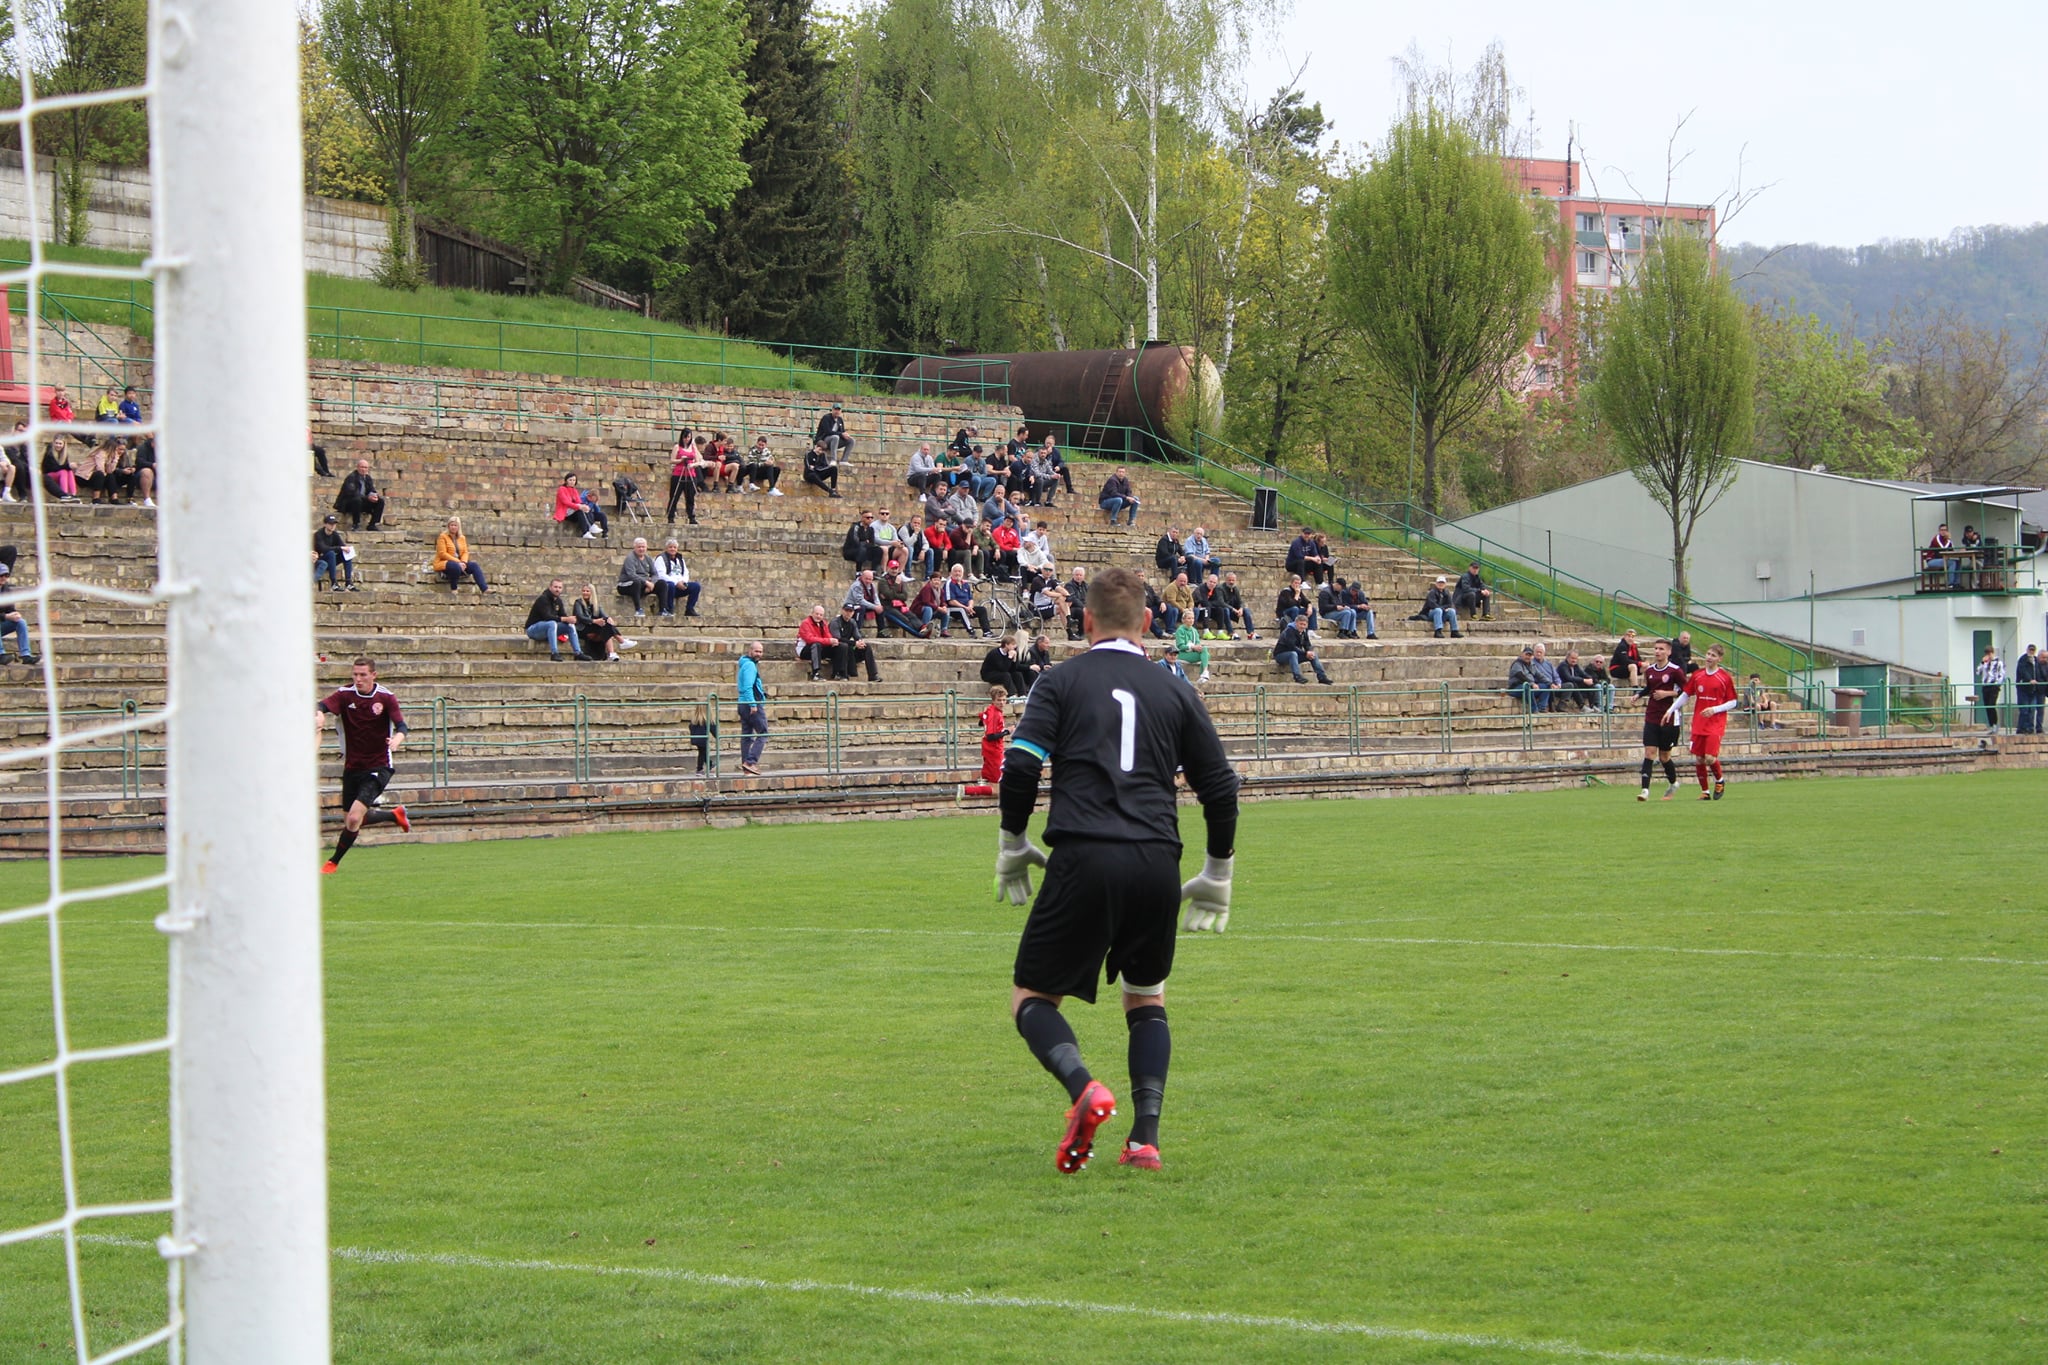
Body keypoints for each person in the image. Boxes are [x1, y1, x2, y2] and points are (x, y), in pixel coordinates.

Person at [995, 565, 1240, 1174]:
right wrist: (1218, 870)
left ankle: (1083, 1089)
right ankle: (1144, 1141)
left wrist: (1013, 840)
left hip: (1084, 854)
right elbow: (1220, 786)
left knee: (1031, 997)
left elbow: (1020, 766)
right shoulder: (1176, 689)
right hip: (1157, 859)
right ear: (1149, 622)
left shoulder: (1060, 681)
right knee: (1147, 997)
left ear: (1084, 622)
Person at [316, 657, 411, 873]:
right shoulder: (345, 694)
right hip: (352, 767)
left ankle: (333, 862)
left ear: (373, 675)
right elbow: (321, 704)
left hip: (379, 766)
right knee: (351, 820)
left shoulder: (386, 697)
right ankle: (394, 815)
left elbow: (402, 726)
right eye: (355, 675)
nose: (358, 679)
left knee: (353, 818)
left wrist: (397, 739)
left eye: (363, 675)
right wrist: (319, 713)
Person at [1682, 644, 1741, 800]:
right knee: (1699, 758)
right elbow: (1686, 694)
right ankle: (1705, 792)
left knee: (1709, 757)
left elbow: (1734, 702)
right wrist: (1670, 710)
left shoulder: (1724, 678)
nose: (1709, 657)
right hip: (1699, 722)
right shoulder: (1698, 675)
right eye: (1708, 654)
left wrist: (1715, 709)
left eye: (1713, 655)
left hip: (1716, 722)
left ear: (1719, 659)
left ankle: (1719, 780)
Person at [1637, 639, 1687, 802]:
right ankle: (1645, 791)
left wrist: (1667, 694)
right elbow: (1649, 688)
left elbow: (1686, 691)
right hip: (1652, 716)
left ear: (1669, 652)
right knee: (1649, 752)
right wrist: (1638, 695)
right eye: (1656, 648)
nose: (1657, 651)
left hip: (1669, 719)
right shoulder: (1650, 670)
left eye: (1661, 649)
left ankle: (1673, 783)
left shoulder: (1675, 671)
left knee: (1664, 756)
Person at [524, 579, 587, 661]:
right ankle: (554, 653)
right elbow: (547, 617)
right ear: (550, 587)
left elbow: (563, 615)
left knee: (570, 626)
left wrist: (571, 620)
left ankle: (578, 653)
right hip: (533, 630)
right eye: (555, 587)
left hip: (548, 629)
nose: (557, 589)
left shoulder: (558, 601)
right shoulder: (543, 599)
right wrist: (565, 619)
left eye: (560, 587)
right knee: (552, 623)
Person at [0, 547, 40, 664]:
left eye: (6, 575)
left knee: (21, 622)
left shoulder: (6, 590)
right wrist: (6, 617)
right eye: (1, 575)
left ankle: (26, 655)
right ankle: (1, 654)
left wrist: (15, 614)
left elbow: (10, 609)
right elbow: (6, 615)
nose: (4, 578)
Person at [574, 583, 632, 662]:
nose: (585, 593)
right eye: (583, 591)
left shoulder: (595, 604)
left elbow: (603, 615)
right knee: (604, 626)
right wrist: (595, 621)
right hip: (582, 628)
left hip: (593, 627)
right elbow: (580, 617)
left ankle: (612, 653)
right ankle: (621, 641)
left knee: (606, 624)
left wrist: (608, 619)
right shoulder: (578, 602)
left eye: (587, 591)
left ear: (592, 593)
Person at [433, 515, 489, 594]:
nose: (453, 527)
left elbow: (465, 552)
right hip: (445, 563)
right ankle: (454, 588)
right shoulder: (442, 537)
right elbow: (442, 553)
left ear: (458, 527)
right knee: (455, 566)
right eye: (452, 525)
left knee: (474, 565)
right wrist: (458, 562)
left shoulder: (462, 538)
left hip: (460, 563)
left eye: (455, 525)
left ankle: (484, 589)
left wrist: (463, 562)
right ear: (448, 526)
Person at [737, 640, 769, 774]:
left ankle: (746, 766)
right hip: (751, 703)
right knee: (763, 733)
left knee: (747, 735)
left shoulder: (744, 664)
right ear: (750, 651)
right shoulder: (750, 666)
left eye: (760, 652)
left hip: (742, 703)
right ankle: (750, 762)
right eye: (756, 651)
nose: (758, 654)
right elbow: (748, 687)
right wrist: (753, 704)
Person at [1272, 615, 1330, 684]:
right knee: (1293, 654)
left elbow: (1307, 644)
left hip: (1295, 655)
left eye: (1304, 624)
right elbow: (1292, 647)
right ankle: (1297, 676)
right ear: (1296, 623)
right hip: (1281, 655)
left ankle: (1322, 677)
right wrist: (1305, 653)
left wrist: (1309, 651)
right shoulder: (1289, 631)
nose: (1302, 626)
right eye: (1301, 624)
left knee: (1313, 654)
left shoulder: (1304, 632)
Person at [653, 539, 701, 617]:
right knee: (670, 585)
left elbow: (685, 572)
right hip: (668, 587)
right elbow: (661, 575)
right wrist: (676, 583)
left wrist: (683, 582)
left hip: (680, 585)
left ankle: (689, 609)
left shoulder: (680, 559)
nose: (672, 549)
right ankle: (669, 610)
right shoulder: (661, 559)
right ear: (666, 548)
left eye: (674, 547)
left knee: (696, 586)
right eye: (670, 547)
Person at [834, 601, 880, 682]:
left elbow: (857, 636)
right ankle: (842, 674)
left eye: (850, 611)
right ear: (842, 611)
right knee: (844, 646)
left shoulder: (852, 622)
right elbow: (837, 638)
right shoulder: (835, 622)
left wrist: (860, 642)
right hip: (837, 650)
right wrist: (854, 643)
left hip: (849, 648)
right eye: (846, 610)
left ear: (853, 613)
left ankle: (873, 675)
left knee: (866, 646)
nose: (848, 613)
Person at [335, 458, 386, 530]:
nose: (363, 469)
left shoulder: (368, 478)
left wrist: (374, 496)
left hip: (362, 502)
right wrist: (367, 498)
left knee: (380, 501)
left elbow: (372, 489)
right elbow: (352, 493)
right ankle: (356, 524)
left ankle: (372, 524)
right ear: (358, 467)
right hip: (349, 503)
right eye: (362, 467)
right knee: (357, 500)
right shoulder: (351, 477)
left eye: (365, 467)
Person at [553, 472, 606, 538]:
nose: (572, 482)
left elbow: (579, 501)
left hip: (573, 513)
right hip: (565, 512)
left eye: (574, 480)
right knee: (580, 509)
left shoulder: (574, 490)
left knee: (584, 508)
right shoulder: (561, 489)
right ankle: (588, 529)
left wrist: (584, 506)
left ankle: (588, 530)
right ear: (566, 481)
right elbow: (566, 502)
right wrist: (579, 506)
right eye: (570, 480)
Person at [945, 564, 992, 637]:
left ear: (962, 573)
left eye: (959, 571)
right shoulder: (949, 583)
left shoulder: (965, 584)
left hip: (966, 608)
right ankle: (971, 631)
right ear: (951, 573)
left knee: (982, 610)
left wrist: (970, 606)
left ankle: (987, 632)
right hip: (953, 609)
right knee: (961, 610)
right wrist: (965, 607)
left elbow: (970, 598)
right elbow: (951, 601)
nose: (957, 573)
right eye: (955, 571)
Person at [616, 537, 660, 616]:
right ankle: (638, 610)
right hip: (626, 584)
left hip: (644, 584)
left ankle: (663, 610)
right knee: (637, 582)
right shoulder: (630, 558)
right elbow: (631, 575)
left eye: (643, 547)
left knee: (662, 584)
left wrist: (652, 583)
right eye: (639, 547)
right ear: (635, 547)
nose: (641, 549)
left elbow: (655, 574)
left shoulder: (648, 558)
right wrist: (646, 583)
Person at [313, 514, 356, 591]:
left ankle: (348, 582)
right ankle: (333, 583)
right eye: (330, 524)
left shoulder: (335, 534)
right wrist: (340, 548)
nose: (333, 526)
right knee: (331, 553)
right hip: (321, 559)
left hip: (331, 561)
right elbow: (323, 549)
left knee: (346, 554)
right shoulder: (319, 534)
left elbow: (342, 546)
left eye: (334, 524)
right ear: (325, 524)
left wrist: (346, 548)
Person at [666, 430, 700, 525]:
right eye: (685, 437)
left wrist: (692, 465)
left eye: (688, 437)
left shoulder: (693, 447)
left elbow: (698, 461)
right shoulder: (677, 447)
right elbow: (672, 460)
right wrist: (681, 460)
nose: (687, 439)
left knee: (690, 497)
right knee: (674, 496)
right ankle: (671, 516)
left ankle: (691, 517)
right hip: (678, 474)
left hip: (690, 474)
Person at [797, 603, 839, 680]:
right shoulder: (805, 623)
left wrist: (832, 641)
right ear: (812, 613)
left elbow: (827, 635)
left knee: (839, 646)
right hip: (804, 650)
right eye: (817, 614)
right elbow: (810, 639)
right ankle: (815, 673)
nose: (818, 616)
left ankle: (838, 672)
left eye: (821, 615)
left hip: (818, 649)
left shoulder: (823, 623)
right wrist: (828, 641)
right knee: (816, 645)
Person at [978, 686, 1009, 784]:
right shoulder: (995, 714)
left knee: (988, 778)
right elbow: (990, 736)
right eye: (999, 700)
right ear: (993, 700)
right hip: (993, 750)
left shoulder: (990, 709)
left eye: (1004, 700)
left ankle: (969, 790)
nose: (1002, 703)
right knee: (997, 780)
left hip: (989, 749)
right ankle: (966, 790)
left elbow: (981, 721)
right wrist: (1007, 731)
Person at [1506, 646, 1550, 712]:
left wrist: (1551, 683)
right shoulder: (1517, 664)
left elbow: (1540, 675)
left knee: (1546, 686)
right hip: (1516, 688)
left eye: (1530, 655)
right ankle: (1533, 709)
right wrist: (1532, 684)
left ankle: (1541, 707)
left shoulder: (1532, 665)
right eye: (1526, 654)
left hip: (1530, 687)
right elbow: (1521, 676)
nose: (1528, 657)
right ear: (1522, 654)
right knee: (1527, 687)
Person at [1213, 573, 1253, 639]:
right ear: (1226, 580)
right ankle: (1231, 633)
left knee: (1246, 610)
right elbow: (1221, 603)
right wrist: (1233, 609)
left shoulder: (1235, 588)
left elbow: (1240, 601)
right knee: (1226, 610)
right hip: (1221, 612)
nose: (1231, 582)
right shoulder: (1219, 588)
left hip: (1233, 611)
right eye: (1229, 580)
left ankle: (1251, 633)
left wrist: (1241, 609)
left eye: (1233, 580)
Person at [1975, 644, 2004, 735]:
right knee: (1987, 706)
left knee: (1992, 705)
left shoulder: (1998, 662)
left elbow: (2002, 675)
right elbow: (1978, 672)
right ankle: (1991, 725)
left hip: (1994, 686)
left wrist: (1997, 684)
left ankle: (1995, 724)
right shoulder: (1984, 663)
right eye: (1987, 654)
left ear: (1992, 653)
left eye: (1990, 653)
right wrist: (1982, 662)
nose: (1988, 655)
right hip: (1985, 686)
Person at [42, 437, 82, 502]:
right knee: (63, 471)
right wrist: (68, 466)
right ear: (53, 443)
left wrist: (70, 467)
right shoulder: (50, 453)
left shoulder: (64, 454)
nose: (58, 445)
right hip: (49, 475)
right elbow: (54, 468)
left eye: (60, 443)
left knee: (69, 471)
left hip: (59, 474)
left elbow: (65, 467)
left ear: (63, 445)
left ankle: (73, 494)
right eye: (56, 443)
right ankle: (64, 495)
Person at [1173, 617, 1211, 684]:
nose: (1191, 620)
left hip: (1191, 652)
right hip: (1181, 654)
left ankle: (1204, 674)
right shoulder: (1180, 630)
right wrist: (1192, 647)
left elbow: (1197, 643)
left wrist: (1198, 647)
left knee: (1206, 653)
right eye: (1189, 618)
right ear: (1183, 620)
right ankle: (1204, 673)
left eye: (1193, 618)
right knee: (1206, 655)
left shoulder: (1194, 630)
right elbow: (1180, 646)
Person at [2015, 644, 2043, 736]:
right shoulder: (2023, 660)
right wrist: (2029, 679)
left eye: (2033, 650)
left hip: (2033, 689)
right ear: (2027, 650)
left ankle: (2030, 728)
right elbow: (2023, 671)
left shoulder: (2036, 660)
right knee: (2024, 709)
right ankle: (2021, 728)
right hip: (2024, 688)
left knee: (2032, 709)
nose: (2031, 652)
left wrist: (2038, 681)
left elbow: (2038, 672)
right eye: (2030, 650)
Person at [1925, 523, 1961, 590]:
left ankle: (1956, 583)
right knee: (1952, 563)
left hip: (1941, 559)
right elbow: (1943, 548)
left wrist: (1949, 540)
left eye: (1945, 530)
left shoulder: (1946, 539)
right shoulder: (1936, 538)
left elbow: (1952, 549)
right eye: (1942, 530)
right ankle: (1950, 584)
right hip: (1932, 560)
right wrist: (1948, 539)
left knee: (1957, 561)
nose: (1943, 531)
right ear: (1939, 531)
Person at [688, 704, 717, 774]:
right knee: (702, 753)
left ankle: (709, 765)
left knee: (703, 752)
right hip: (703, 739)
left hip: (695, 738)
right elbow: (713, 729)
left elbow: (690, 727)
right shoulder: (707, 720)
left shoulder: (694, 720)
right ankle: (699, 769)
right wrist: (717, 736)